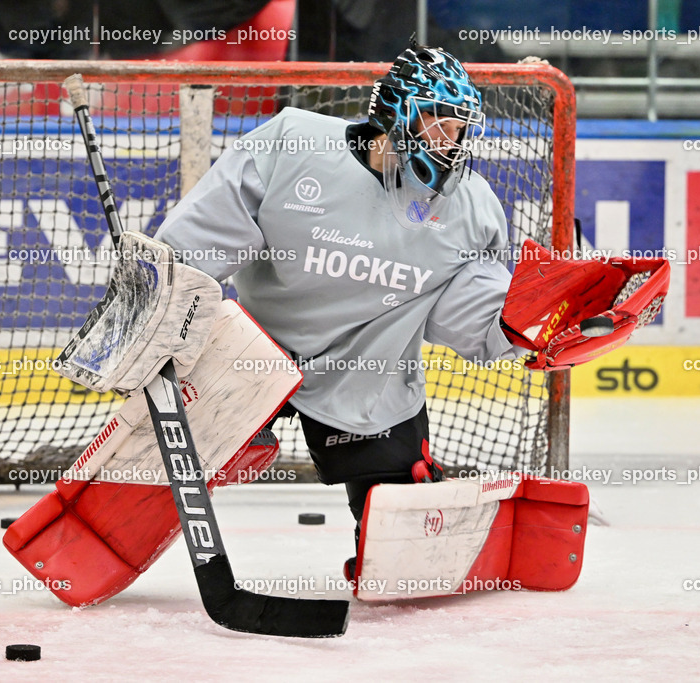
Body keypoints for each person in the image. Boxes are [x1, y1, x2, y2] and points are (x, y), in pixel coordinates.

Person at [155, 41, 520, 571]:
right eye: (438, 122)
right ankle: (96, 531)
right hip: (257, 348)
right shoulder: (294, 145)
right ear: (397, 113)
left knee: (405, 555)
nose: (451, 141)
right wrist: (160, 313)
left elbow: (463, 320)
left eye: (460, 127)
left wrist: (532, 324)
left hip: (370, 373)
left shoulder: (472, 208)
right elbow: (194, 248)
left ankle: (390, 546)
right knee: (153, 459)